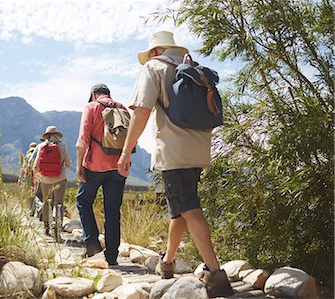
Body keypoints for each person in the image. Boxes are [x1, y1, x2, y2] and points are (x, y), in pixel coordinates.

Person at [117, 30, 234, 298]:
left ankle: (216, 276)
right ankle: (167, 263)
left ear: (155, 51)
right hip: (199, 149)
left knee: (189, 206)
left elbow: (142, 111)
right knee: (179, 207)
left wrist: (125, 153)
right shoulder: (190, 67)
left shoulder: (154, 67)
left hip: (173, 150)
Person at [76, 83, 127, 266]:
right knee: (112, 210)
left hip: (95, 165)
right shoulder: (122, 108)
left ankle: (92, 242)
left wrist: (79, 165)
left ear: (94, 94)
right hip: (119, 167)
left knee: (83, 201)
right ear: (108, 94)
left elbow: (83, 139)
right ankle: (112, 256)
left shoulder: (91, 107)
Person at [33, 126, 71, 235]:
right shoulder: (63, 145)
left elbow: (36, 165)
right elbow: (68, 163)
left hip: (45, 180)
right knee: (58, 203)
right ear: (57, 134)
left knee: (47, 202)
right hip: (60, 178)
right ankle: (57, 227)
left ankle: (47, 226)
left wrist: (37, 176)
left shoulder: (41, 146)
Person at [18, 142, 41, 217]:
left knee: (30, 192)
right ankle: (38, 210)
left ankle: (31, 210)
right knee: (37, 192)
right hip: (37, 175)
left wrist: (20, 178)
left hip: (28, 176)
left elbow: (23, 168)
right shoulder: (39, 154)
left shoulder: (27, 156)